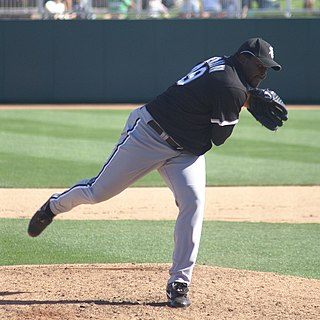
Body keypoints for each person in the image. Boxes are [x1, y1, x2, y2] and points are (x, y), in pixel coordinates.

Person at [28, 37, 282, 308]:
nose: (263, 72)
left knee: (193, 204)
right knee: (97, 192)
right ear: (243, 58)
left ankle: (179, 282)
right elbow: (219, 138)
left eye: (267, 68)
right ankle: (53, 206)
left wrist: (244, 99)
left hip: (186, 151)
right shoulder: (231, 86)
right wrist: (246, 103)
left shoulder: (225, 68)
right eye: (259, 65)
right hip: (148, 136)